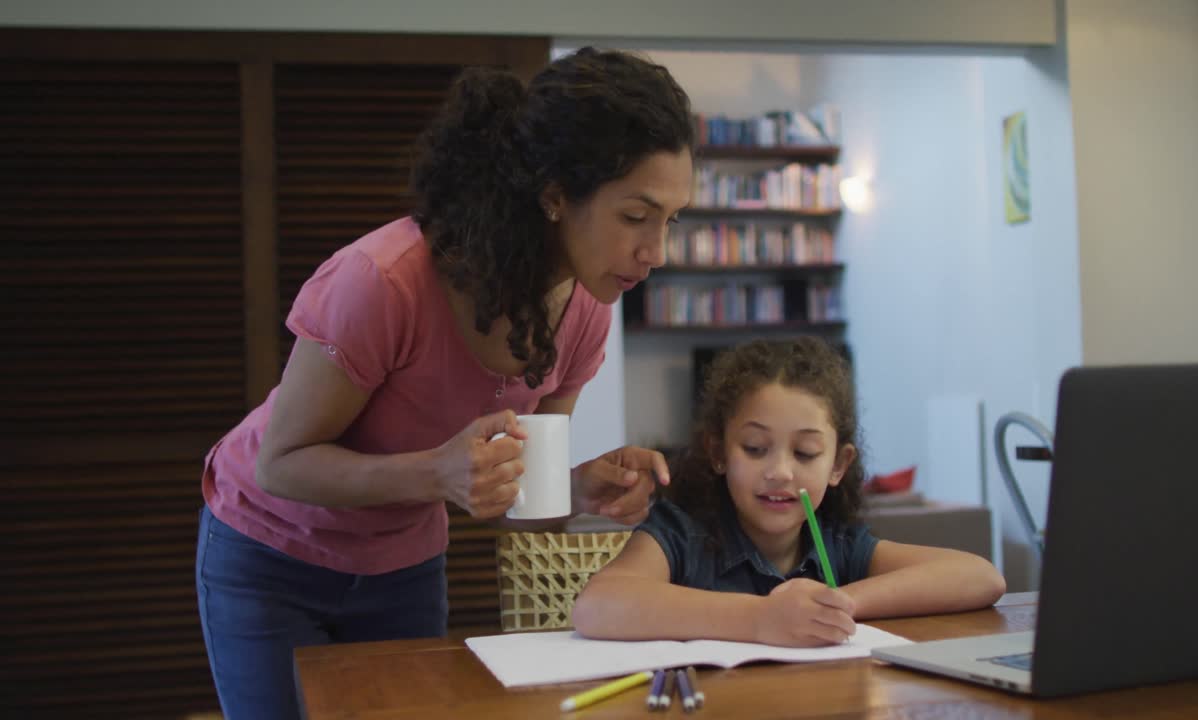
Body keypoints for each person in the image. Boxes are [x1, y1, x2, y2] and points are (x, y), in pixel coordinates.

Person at [196, 47, 695, 719]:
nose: (657, 252)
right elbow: (280, 464)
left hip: (402, 565)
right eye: (636, 217)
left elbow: (516, 497)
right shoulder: (383, 281)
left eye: (671, 220)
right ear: (554, 195)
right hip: (270, 554)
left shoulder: (585, 313)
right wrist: (438, 472)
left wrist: (576, 488)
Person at [573, 337, 1006, 647]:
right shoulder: (681, 533)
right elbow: (596, 605)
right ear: (718, 452)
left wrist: (835, 605)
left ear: (837, 465)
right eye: (755, 448)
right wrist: (762, 619)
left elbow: (981, 577)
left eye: (805, 453)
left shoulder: (839, 544)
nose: (780, 472)